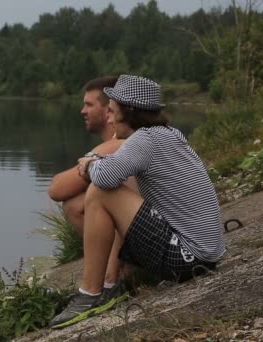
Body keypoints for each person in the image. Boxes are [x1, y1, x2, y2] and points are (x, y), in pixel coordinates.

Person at [49, 75, 226, 329]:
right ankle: (109, 284)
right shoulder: (168, 134)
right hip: (203, 255)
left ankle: (89, 295)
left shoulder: (144, 140)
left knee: (100, 192)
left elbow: (105, 177)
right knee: (123, 185)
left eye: (112, 111)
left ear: (129, 111)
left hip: (188, 258)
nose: (109, 119)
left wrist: (88, 165)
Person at [48, 76, 137, 292]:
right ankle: (115, 273)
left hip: (154, 237)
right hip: (150, 229)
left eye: (89, 104)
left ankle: (112, 278)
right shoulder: (125, 141)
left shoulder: (120, 143)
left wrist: (89, 168)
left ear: (109, 111)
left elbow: (56, 189)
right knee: (76, 204)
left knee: (97, 194)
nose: (82, 111)